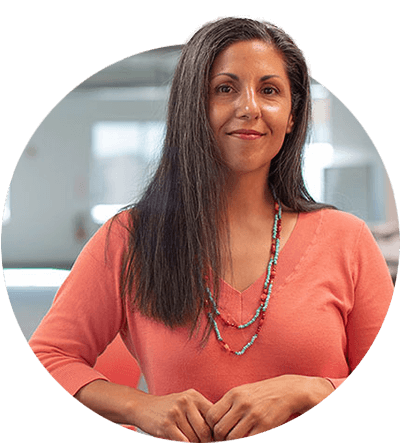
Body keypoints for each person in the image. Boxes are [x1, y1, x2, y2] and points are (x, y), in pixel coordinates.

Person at [29, 17, 394, 441]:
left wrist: (311, 390)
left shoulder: (346, 239)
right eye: (225, 88)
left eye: (270, 90)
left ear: (293, 116)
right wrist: (141, 406)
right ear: (193, 107)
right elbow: (49, 355)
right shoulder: (129, 238)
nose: (249, 107)